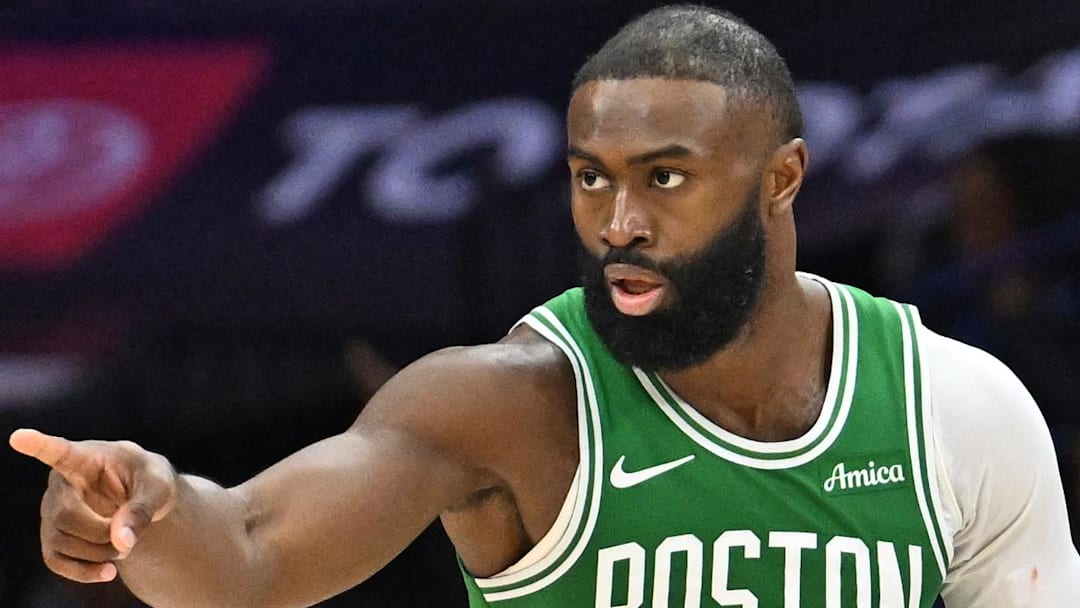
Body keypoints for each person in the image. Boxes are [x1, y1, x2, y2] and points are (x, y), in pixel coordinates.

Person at [10, 5, 1080, 607]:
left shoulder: (951, 404)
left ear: (780, 179)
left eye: (665, 176)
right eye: (589, 176)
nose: (617, 219)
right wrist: (148, 509)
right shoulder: (507, 404)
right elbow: (247, 549)